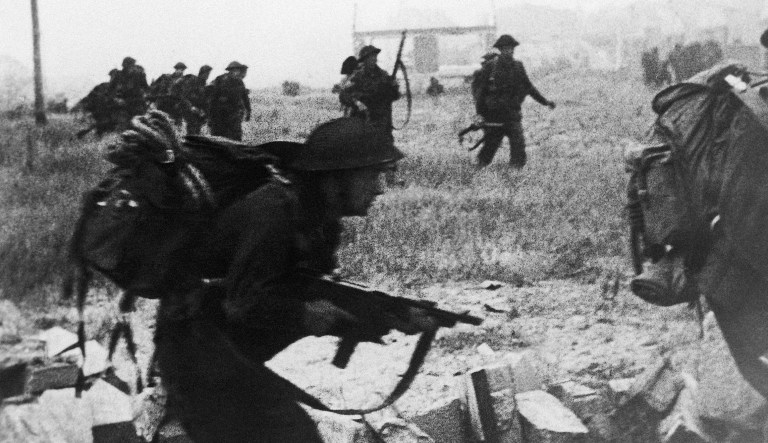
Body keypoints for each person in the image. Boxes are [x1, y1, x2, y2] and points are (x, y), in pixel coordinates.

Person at [154, 117, 435, 442]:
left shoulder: (317, 220)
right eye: (372, 175)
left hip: (225, 354)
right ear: (335, 178)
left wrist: (391, 314)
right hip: (197, 354)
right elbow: (243, 304)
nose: (379, 188)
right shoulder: (275, 213)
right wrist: (302, 315)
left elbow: (308, 289)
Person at [472, 35, 555, 168]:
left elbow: (529, 87)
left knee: (518, 146)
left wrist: (545, 102)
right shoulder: (490, 67)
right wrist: (479, 114)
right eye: (506, 49)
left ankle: (515, 175)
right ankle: (476, 170)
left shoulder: (518, 67)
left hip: (512, 115)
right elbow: (481, 93)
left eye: (511, 49)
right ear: (500, 50)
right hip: (495, 116)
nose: (509, 51)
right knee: (489, 148)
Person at [207, 61, 251, 140]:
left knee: (236, 137)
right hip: (220, 115)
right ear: (230, 70)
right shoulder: (220, 80)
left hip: (234, 115)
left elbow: (245, 97)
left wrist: (248, 111)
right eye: (235, 71)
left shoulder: (239, 82)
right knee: (218, 138)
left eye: (238, 71)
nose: (237, 73)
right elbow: (212, 99)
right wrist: (210, 117)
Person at [172, 65, 213, 135]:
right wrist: (191, 107)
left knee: (196, 130)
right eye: (206, 73)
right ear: (202, 73)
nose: (207, 76)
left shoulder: (204, 85)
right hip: (188, 109)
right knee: (190, 129)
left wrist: (204, 112)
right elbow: (184, 96)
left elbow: (204, 101)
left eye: (208, 74)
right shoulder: (193, 81)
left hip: (197, 112)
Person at [110, 56, 149, 128]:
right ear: (124, 66)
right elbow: (110, 91)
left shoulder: (139, 75)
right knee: (123, 125)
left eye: (133, 65)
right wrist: (116, 99)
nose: (132, 67)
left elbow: (146, 88)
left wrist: (145, 95)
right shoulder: (118, 76)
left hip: (137, 102)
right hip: (123, 104)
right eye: (129, 65)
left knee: (142, 123)